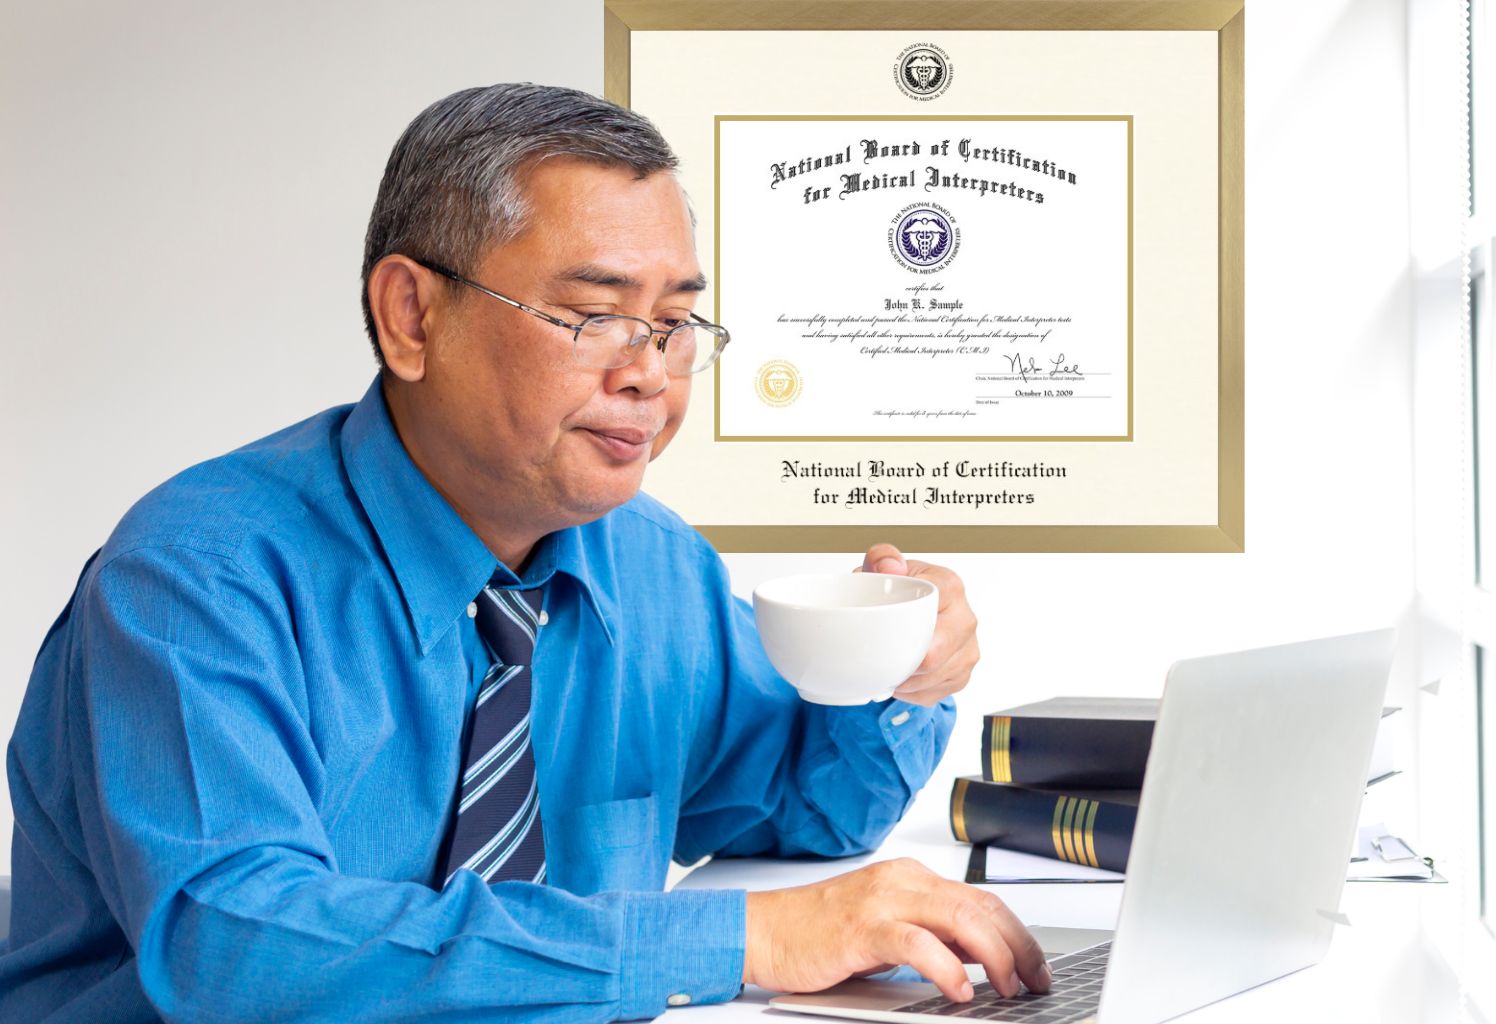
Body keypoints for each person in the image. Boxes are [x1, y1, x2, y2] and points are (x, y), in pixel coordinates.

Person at [0, 82, 1050, 1021]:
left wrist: (900, 675)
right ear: (409, 315)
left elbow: (799, 811)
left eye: (678, 323)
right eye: (595, 316)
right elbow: (237, 947)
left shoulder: (651, 562)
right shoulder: (198, 576)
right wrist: (749, 940)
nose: (651, 374)